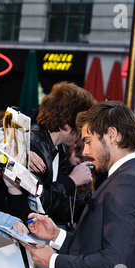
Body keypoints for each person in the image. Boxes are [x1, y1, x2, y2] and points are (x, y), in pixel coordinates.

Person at [24, 101, 135, 268]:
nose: (85, 152)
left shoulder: (128, 182)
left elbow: (113, 263)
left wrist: (54, 262)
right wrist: (56, 235)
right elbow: (104, 246)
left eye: (89, 141)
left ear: (112, 134)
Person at [30, 81, 97, 229]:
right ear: (67, 124)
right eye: (80, 126)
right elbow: (37, 203)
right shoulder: (33, 145)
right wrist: (72, 181)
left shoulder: (60, 148)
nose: (81, 132)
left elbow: (63, 204)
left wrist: (97, 211)